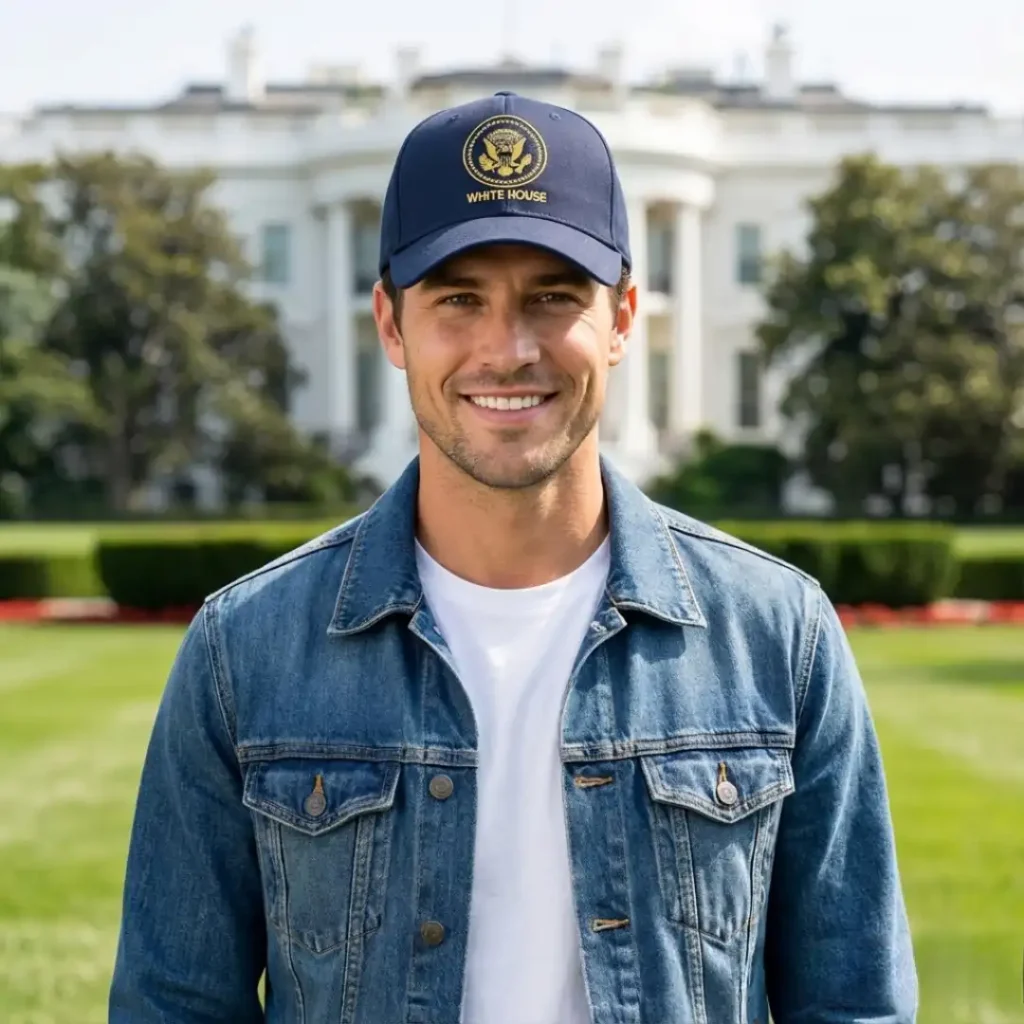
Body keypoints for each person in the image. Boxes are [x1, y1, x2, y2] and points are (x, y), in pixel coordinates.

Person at [109, 92, 918, 1023]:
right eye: (459, 298)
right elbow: (174, 1006)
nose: (510, 348)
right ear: (390, 324)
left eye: (553, 296)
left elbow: (855, 1004)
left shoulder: (777, 634)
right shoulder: (243, 649)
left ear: (620, 320)